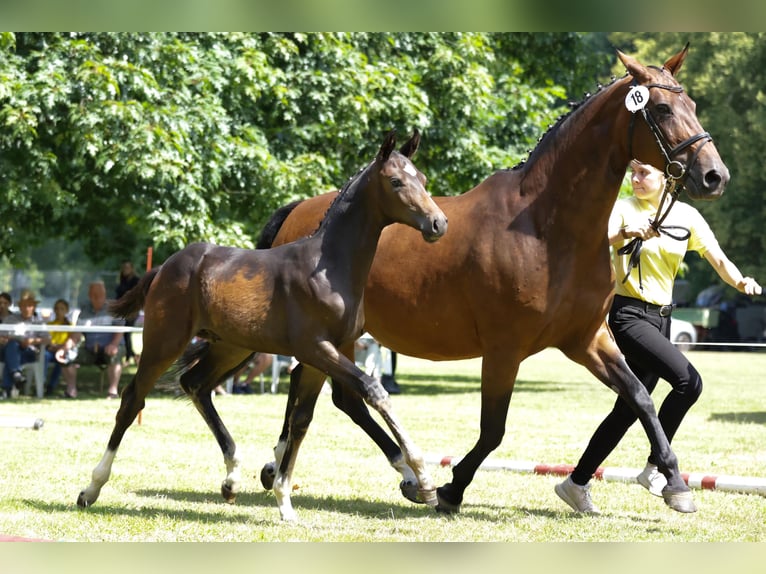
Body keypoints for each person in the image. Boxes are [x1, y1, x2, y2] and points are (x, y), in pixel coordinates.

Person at [555, 159, 763, 514]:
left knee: (627, 410)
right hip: (628, 314)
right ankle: (658, 466)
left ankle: (576, 482)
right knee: (689, 382)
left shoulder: (687, 217)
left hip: (662, 318)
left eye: (643, 173)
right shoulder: (622, 210)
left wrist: (741, 280)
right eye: (632, 173)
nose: (635, 179)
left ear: (668, 177)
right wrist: (626, 233)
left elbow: (719, 260)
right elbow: (588, 241)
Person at [60, 281, 125, 399]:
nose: (96, 297)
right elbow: (76, 336)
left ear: (104, 294)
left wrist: (113, 344)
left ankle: (112, 391)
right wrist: (64, 348)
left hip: (110, 348)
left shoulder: (114, 308)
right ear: (89, 295)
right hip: (89, 349)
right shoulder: (84, 312)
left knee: (115, 355)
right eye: (93, 294)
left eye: (99, 294)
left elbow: (120, 330)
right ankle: (71, 390)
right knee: (67, 356)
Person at [0, 290, 50, 398]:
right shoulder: (10, 319)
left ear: (34, 307)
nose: (27, 308)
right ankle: (16, 375)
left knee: (11, 358)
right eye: (24, 305)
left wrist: (33, 341)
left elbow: (48, 339)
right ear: (20, 306)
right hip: (9, 350)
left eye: (30, 305)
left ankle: (8, 387)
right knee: (12, 345)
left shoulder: (39, 322)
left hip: (28, 353)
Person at [44, 298, 75, 397]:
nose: (59, 311)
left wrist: (60, 348)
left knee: (61, 361)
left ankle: (51, 386)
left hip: (62, 351)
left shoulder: (71, 326)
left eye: (62, 309)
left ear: (66, 311)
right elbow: (47, 339)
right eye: (57, 309)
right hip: (50, 350)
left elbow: (71, 340)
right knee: (44, 356)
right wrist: (51, 346)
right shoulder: (49, 325)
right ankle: (42, 381)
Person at [115, 260, 141, 364]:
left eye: (127, 267)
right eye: (124, 267)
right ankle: (131, 354)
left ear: (132, 269)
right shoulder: (122, 280)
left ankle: (129, 355)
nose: (125, 269)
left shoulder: (136, 281)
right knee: (124, 333)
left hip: (132, 310)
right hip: (123, 310)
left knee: (126, 333)